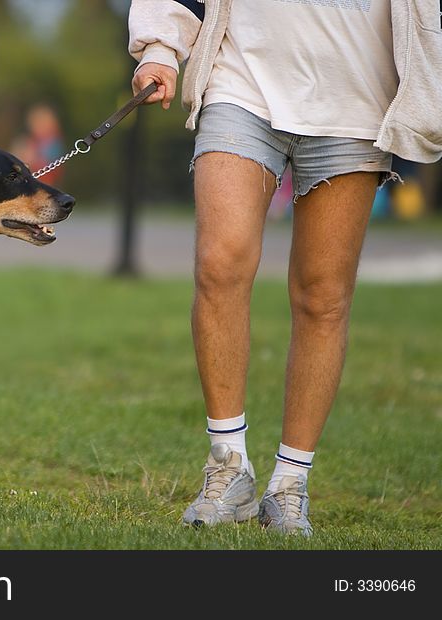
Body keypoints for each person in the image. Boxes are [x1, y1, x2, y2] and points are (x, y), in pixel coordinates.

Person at [128, 0, 441, 535]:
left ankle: (290, 483)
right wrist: (160, 48)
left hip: (356, 104)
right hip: (241, 83)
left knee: (323, 296)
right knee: (219, 263)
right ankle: (228, 469)